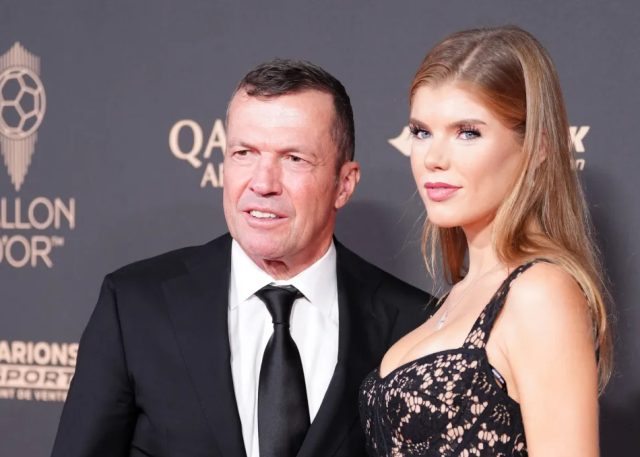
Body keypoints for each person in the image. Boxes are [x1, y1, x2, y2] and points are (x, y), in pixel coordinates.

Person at [50, 59, 431, 457]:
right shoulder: (135, 306)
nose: (262, 183)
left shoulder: (414, 326)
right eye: (244, 152)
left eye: (294, 158)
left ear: (344, 184)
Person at [359, 26, 612, 456]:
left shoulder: (540, 293)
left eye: (468, 132)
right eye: (421, 131)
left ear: (537, 147)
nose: (434, 158)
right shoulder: (459, 295)